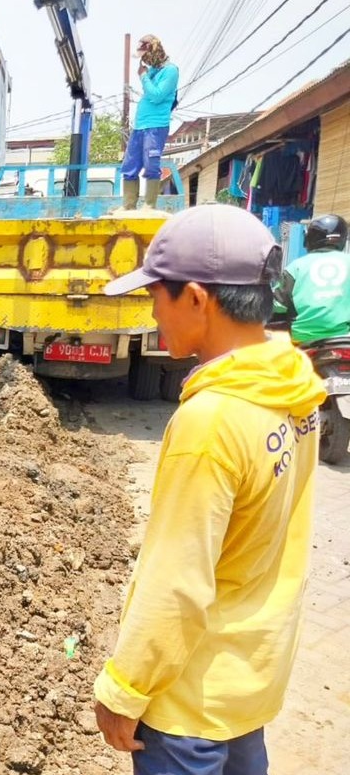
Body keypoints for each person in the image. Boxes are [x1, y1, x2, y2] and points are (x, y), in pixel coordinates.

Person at [94, 204, 325, 773]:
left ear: (197, 298)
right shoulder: (293, 387)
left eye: (157, 297)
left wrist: (125, 687)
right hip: (249, 684)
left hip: (189, 704)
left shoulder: (212, 422)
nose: (152, 314)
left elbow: (178, 579)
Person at [272, 214, 350, 344]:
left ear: (309, 239)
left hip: (302, 341)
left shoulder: (296, 267)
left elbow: (278, 306)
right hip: (344, 340)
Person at [122, 35, 179, 210]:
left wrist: (143, 76)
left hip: (156, 126)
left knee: (151, 163)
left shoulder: (170, 71)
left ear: (153, 51)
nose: (143, 60)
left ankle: (149, 205)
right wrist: (147, 74)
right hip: (140, 126)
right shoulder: (153, 71)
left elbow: (157, 95)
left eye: (145, 55)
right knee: (129, 165)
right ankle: (129, 205)